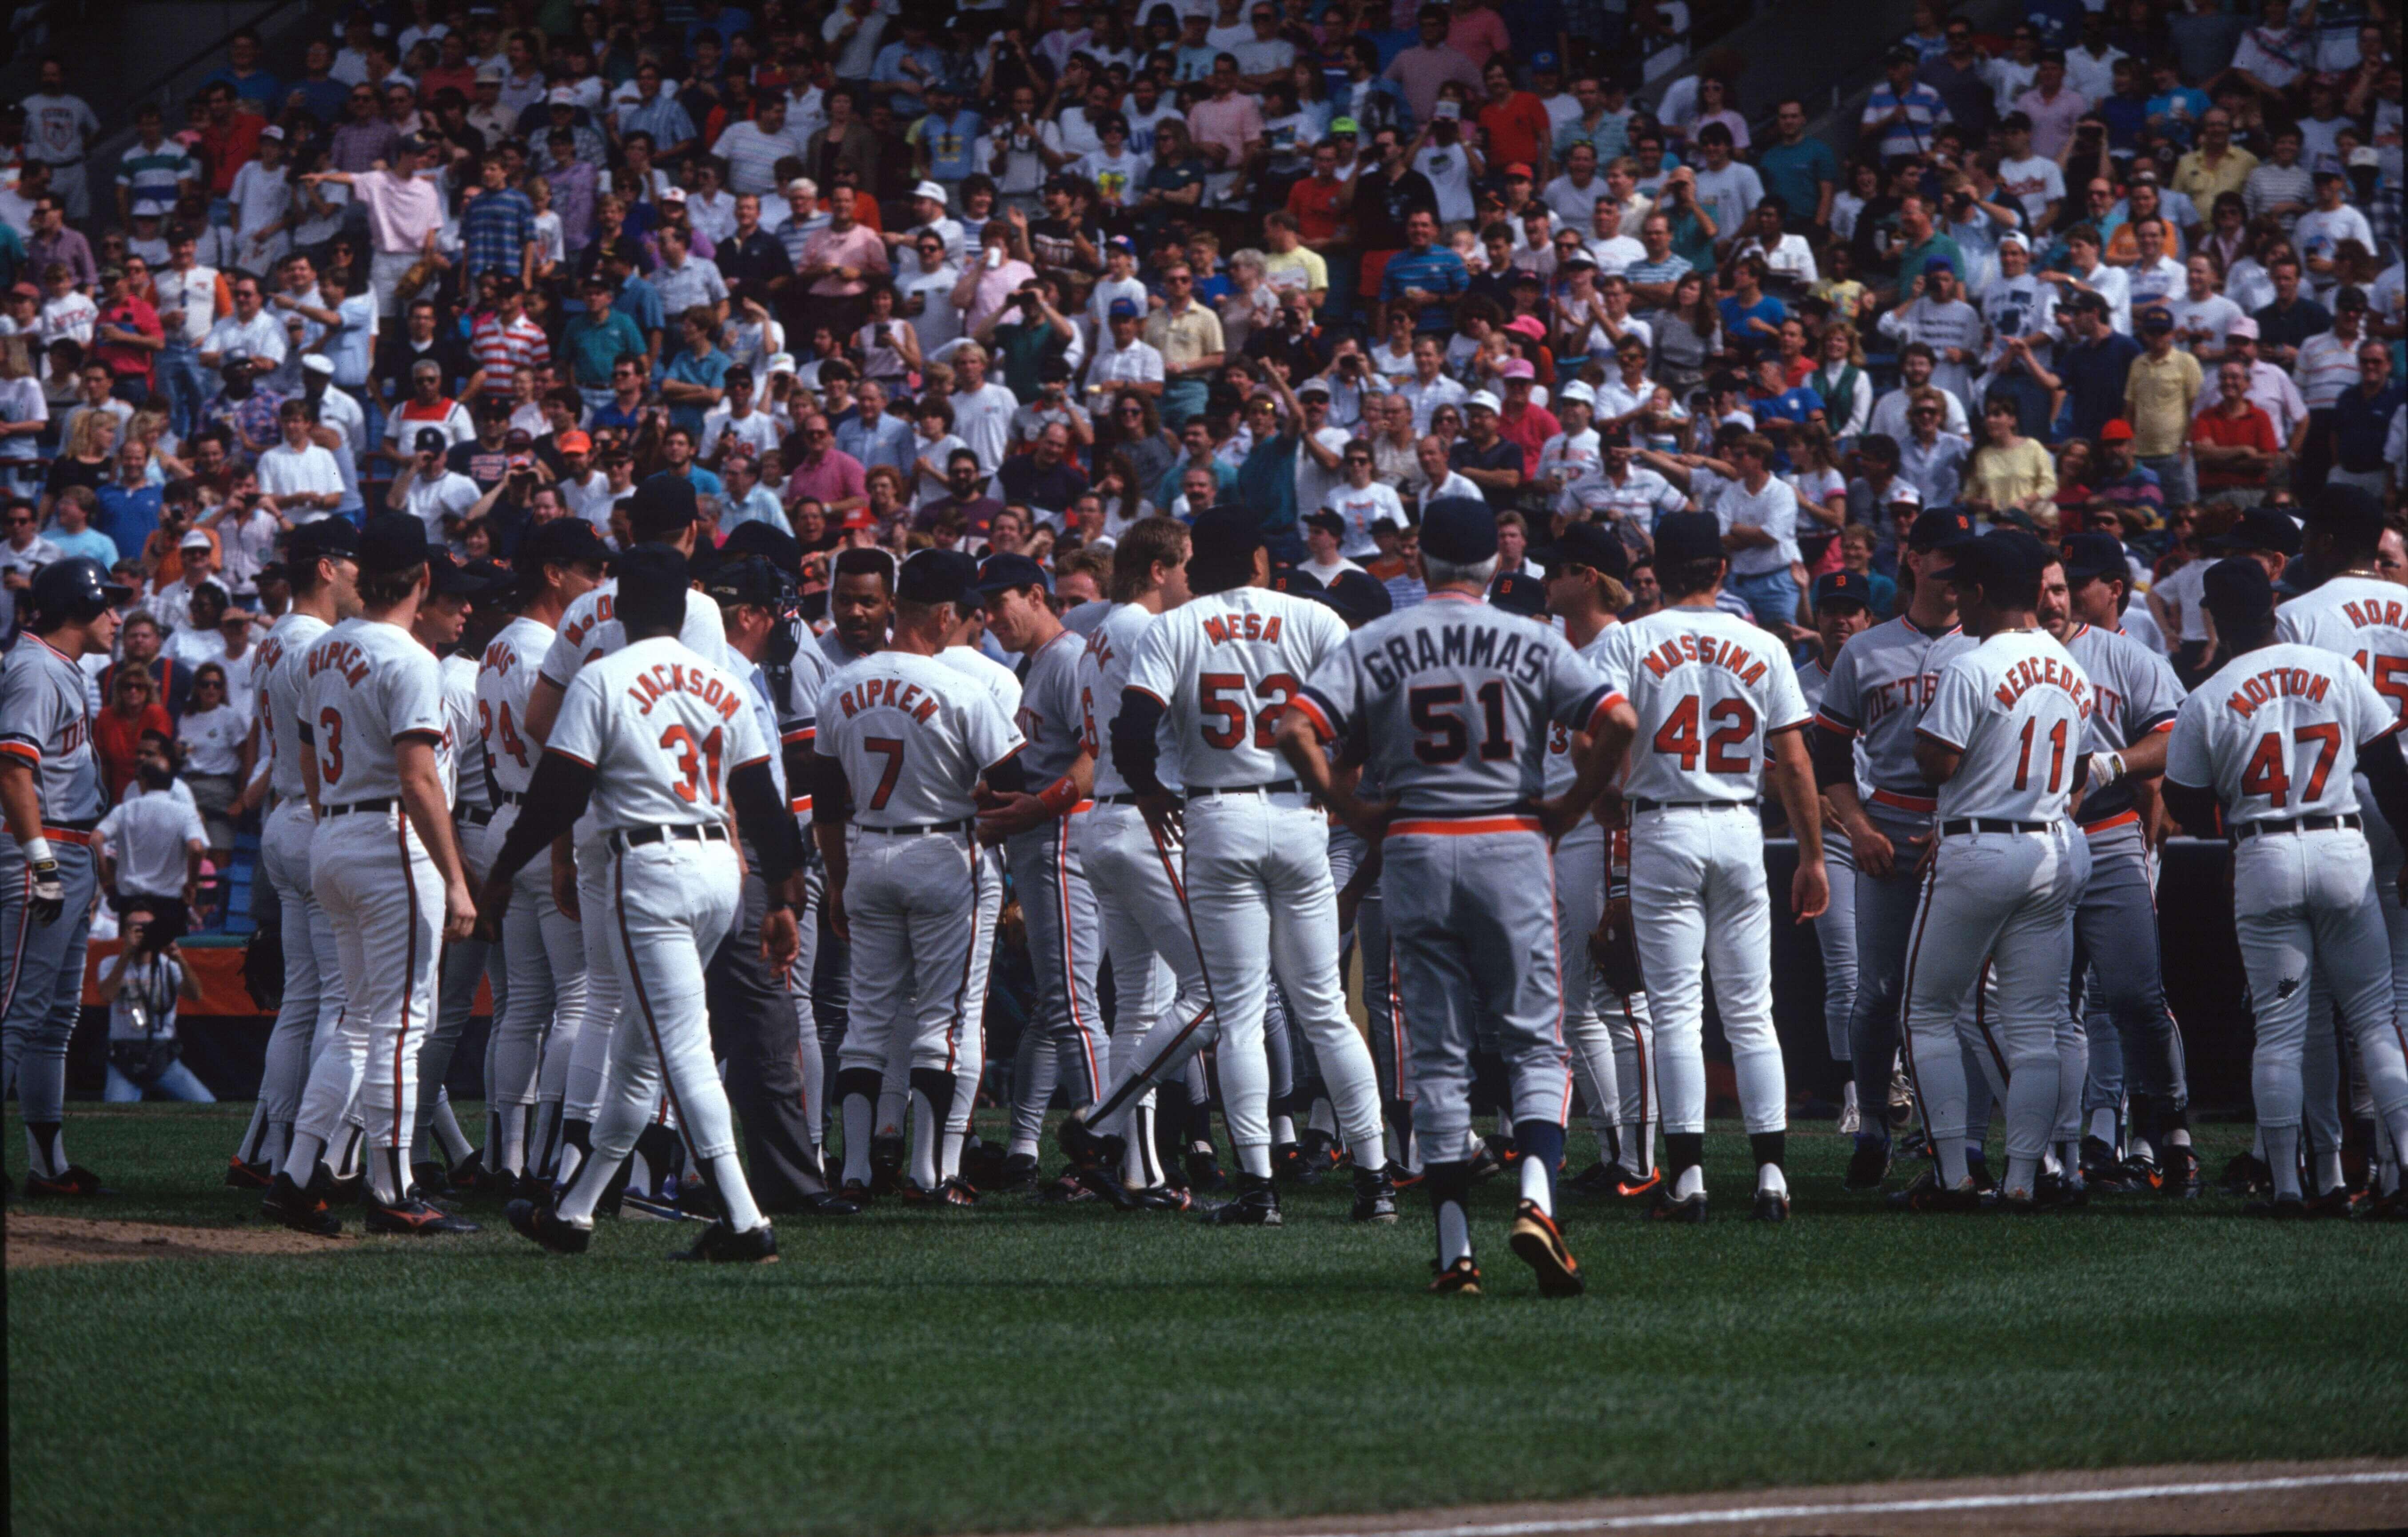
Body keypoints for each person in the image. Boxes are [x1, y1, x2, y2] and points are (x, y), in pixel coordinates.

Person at [1272, 496, 1621, 1291]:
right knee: (1536, 1040)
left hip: (1417, 843)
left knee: (1436, 1053)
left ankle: (1456, 1250)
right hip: (1509, 837)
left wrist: (1349, 807)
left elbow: (1295, 730)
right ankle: (1537, 1199)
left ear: (1419, 561)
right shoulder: (1531, 637)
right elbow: (1621, 719)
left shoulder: (1379, 637)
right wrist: (1571, 806)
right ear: (1500, 565)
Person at [1080, 507, 1391, 1226]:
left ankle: (1259, 1189)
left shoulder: (1175, 626)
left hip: (1215, 815)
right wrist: (1335, 787)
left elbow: (1131, 730)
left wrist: (1153, 794)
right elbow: (1368, 716)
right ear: (1257, 557)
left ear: (1197, 564)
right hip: (1297, 816)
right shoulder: (1313, 617)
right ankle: (1373, 1181)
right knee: (1325, 1009)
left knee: (1242, 1014)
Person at [483, 544, 794, 1263]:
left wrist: (503, 869)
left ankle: (745, 1224)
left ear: (617, 610)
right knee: (638, 1049)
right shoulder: (721, 680)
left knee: (677, 1043)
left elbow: (559, 790)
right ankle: (576, 1210)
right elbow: (761, 800)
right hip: (721, 867)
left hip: (648, 867)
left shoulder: (601, 678)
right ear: (685, 611)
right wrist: (783, 895)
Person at [1592, 510, 1827, 1222]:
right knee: (1753, 1013)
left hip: (1663, 825)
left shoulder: (1629, 638)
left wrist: (1606, 803)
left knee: (1677, 1013)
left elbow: (1593, 737)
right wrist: (1814, 854)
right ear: (1722, 571)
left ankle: (1689, 1179)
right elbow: (1792, 760)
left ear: (1657, 570)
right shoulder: (1762, 644)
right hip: (1738, 828)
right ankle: (1772, 1179)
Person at [2167, 555, 2408, 1218]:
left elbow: (2183, 803)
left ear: (2215, 615)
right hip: (2341, 844)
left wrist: (2234, 803)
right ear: (2274, 605)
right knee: (2374, 1020)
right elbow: (2389, 770)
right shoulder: (2334, 669)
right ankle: (2404, 1166)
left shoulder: (2209, 693)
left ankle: (2297, 1186)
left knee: (2280, 1032)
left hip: (2263, 851)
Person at [267, 514, 479, 1239]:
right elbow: (420, 780)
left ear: (361, 571)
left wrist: (335, 821)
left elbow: (302, 758)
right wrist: (455, 878)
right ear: (422, 579)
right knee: (398, 1027)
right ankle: (393, 1190)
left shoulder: (318, 652)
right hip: (390, 837)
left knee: (359, 1023)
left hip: (333, 832)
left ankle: (296, 1175)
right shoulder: (412, 658)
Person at [815, 550, 1026, 1205]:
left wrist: (840, 878)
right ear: (942, 616)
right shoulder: (961, 687)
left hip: (868, 849)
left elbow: (826, 800)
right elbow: (1012, 786)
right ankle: (929, 1175)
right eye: (961, 615)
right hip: (943, 852)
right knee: (943, 1021)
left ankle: (852, 1173)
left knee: (868, 1019)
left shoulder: (839, 684)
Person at [1894, 530, 2090, 1212]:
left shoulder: (1973, 665)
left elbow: (1937, 763)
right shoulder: (2071, 665)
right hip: (2050, 844)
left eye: (1959, 586)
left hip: (1979, 843)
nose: (1954, 597)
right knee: (2036, 1024)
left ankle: (1953, 1177)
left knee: (1927, 1012)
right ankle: (2025, 1180)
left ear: (1977, 592)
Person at [1811, 507, 1979, 1191]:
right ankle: (1876, 1121)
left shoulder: (1989, 647)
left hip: (1964, 830)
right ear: (1913, 560)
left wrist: (1962, 828)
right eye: (1942, 555)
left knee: (1964, 998)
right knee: (1876, 991)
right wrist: (1858, 829)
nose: (1953, 569)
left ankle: (1959, 1140)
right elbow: (1830, 757)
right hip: (1886, 826)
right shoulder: (1866, 649)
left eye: (1961, 557)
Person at [970, 553, 1111, 1192]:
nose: (992, 618)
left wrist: (1038, 804)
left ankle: (1105, 1148)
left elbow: (1094, 753)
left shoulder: (1068, 656)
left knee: (1074, 1008)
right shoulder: (1036, 664)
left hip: (1063, 837)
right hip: (1043, 841)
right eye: (986, 607)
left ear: (1037, 594)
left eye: (1002, 603)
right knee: (1054, 1008)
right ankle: (1025, 1146)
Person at [1, 557, 132, 1196]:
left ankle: (46, 1166)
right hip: (41, 848)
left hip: (70, 844)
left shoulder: (63, 669)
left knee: (53, 1020)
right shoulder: (35, 668)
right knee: (15, 1014)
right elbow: (12, 774)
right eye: (107, 603)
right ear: (77, 608)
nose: (117, 615)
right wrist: (43, 865)